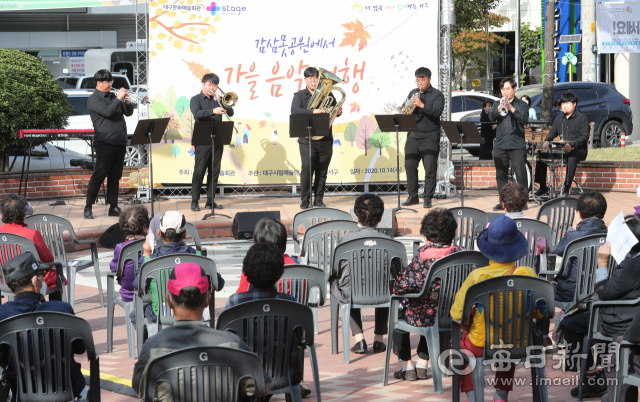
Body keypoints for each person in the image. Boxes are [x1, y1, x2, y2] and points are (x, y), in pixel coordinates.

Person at [133, 262, 267, 402]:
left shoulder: (153, 345)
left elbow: (140, 388)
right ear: (207, 300)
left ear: (169, 301)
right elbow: (262, 384)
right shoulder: (232, 343)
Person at [450, 215, 545, 402]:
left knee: (460, 345)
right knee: (509, 335)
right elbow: (541, 310)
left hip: (480, 345)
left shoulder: (477, 276)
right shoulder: (527, 274)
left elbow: (457, 313)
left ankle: (472, 396)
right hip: (519, 344)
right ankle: (501, 396)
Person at [554, 215, 640, 399]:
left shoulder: (632, 266)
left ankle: (591, 378)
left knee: (569, 322)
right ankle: (596, 377)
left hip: (622, 319)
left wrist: (602, 263)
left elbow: (604, 293)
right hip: (631, 315)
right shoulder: (632, 262)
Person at [0, 254, 87, 400]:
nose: (43, 279)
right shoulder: (62, 309)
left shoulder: (3, 315)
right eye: (41, 275)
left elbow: (1, 357)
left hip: (23, 393)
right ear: (35, 281)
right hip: (68, 390)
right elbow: (80, 347)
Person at [225, 243, 305, 397]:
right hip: (284, 376)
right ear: (280, 273)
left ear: (246, 272)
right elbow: (300, 338)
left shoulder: (234, 303)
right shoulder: (291, 304)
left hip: (243, 378)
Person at [392, 208, 462, 381]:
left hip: (424, 316)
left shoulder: (422, 257)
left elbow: (401, 288)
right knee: (435, 309)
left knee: (399, 314)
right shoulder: (463, 254)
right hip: (454, 313)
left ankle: (408, 367)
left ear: (426, 235)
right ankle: (423, 363)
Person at [330, 194, 400, 354]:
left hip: (352, 294)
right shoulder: (390, 241)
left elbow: (336, 270)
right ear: (381, 217)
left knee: (344, 285)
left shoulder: (345, 240)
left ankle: (359, 339)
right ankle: (378, 340)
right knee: (387, 283)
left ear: (356, 216)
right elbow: (398, 270)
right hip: (383, 293)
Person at [132, 211, 225, 325]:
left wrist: (146, 254)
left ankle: (153, 340)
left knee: (135, 314)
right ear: (185, 234)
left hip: (160, 315)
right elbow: (219, 284)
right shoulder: (199, 257)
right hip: (194, 313)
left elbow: (137, 285)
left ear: (159, 233)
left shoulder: (151, 260)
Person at [291, 67, 343, 209]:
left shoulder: (328, 94)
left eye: (315, 78)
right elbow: (295, 111)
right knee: (307, 169)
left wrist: (338, 111)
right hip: (307, 140)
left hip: (325, 139)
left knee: (322, 171)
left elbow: (333, 111)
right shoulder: (300, 95)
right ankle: (305, 200)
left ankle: (319, 200)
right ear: (305, 80)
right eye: (310, 78)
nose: (313, 80)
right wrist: (313, 111)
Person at [84, 69, 133, 219]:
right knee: (99, 175)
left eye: (111, 82)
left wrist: (126, 100)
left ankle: (113, 206)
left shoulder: (113, 96)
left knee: (115, 176)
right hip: (105, 142)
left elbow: (128, 112)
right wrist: (118, 98)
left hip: (119, 141)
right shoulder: (93, 99)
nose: (111, 84)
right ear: (99, 83)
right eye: (108, 82)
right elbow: (107, 112)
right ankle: (88, 207)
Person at [0, 194, 63, 301]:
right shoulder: (32, 234)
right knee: (56, 274)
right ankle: (55, 311)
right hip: (28, 282)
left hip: (3, 280)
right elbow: (48, 260)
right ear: (22, 214)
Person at [553, 191, 608, 310]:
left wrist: (572, 228)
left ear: (578, 213)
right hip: (598, 290)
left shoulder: (573, 236)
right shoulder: (610, 236)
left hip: (570, 293)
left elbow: (559, 250)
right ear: (603, 213)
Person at [190, 73, 234, 212]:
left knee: (214, 172)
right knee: (199, 171)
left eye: (214, 86)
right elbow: (197, 113)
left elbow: (231, 112)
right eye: (209, 85)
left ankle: (210, 201)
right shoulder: (195, 99)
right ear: (203, 84)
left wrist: (223, 102)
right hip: (202, 140)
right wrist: (212, 111)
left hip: (217, 139)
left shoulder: (218, 99)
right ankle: (194, 201)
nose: (212, 88)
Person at [401, 67, 444, 209]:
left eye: (422, 80)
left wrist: (422, 105)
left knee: (430, 169)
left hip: (430, 136)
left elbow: (437, 112)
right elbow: (404, 108)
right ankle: (412, 196)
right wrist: (404, 107)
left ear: (429, 79)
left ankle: (427, 197)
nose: (419, 83)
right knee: (410, 166)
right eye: (418, 80)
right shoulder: (413, 93)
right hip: (413, 136)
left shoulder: (437, 95)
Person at [534, 92, 589, 197]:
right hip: (563, 148)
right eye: (563, 103)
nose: (564, 105)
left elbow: (584, 136)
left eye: (567, 103)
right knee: (541, 155)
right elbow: (553, 132)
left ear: (574, 104)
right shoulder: (559, 118)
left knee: (572, 158)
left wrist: (573, 145)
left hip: (578, 149)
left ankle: (567, 187)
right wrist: (547, 140)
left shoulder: (582, 118)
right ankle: (542, 187)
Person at [489, 77, 529, 211]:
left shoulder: (522, 105)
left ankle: (523, 201)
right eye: (502, 89)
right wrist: (499, 107)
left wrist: (511, 108)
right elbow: (491, 118)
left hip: (517, 144)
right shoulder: (497, 103)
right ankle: (503, 202)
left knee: (520, 173)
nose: (504, 92)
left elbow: (524, 120)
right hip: (500, 143)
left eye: (507, 89)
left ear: (514, 89)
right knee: (501, 174)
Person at [236, 217, 299, 293]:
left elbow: (242, 294)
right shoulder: (295, 265)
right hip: (288, 304)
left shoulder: (251, 269)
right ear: (283, 242)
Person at [109, 205, 149, 304]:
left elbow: (114, 268)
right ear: (145, 228)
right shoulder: (151, 244)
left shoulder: (121, 247)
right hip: (150, 292)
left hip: (129, 294)